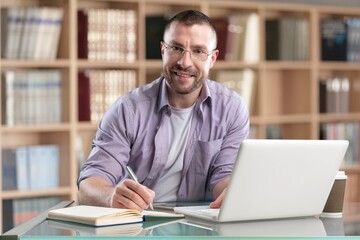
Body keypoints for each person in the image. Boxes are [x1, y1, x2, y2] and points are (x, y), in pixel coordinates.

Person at [78, 10, 249, 211]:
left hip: (200, 227)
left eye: (198, 51)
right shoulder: (128, 109)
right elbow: (89, 184)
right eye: (176, 48)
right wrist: (110, 196)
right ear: (163, 50)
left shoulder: (232, 109)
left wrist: (233, 191)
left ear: (213, 58)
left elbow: (225, 175)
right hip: (139, 225)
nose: (184, 62)